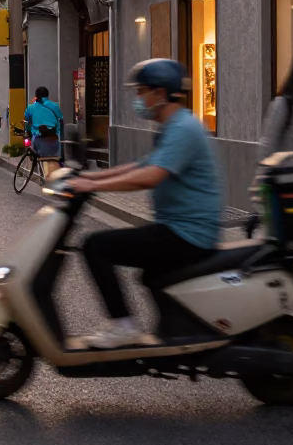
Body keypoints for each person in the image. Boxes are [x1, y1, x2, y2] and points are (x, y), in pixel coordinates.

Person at [66, 59, 220, 349]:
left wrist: (94, 186)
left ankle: (123, 326)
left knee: (96, 246)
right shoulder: (173, 127)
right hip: (179, 228)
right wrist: (89, 176)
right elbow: (141, 165)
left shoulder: (183, 129)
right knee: (149, 271)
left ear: (160, 94)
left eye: (142, 92)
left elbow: (150, 176)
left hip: (188, 233)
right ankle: (171, 331)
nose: (139, 99)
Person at [24, 86, 64, 173]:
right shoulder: (55, 106)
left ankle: (34, 163)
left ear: (36, 96)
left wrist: (27, 132)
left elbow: (27, 122)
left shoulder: (30, 108)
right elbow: (61, 121)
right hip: (54, 140)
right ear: (47, 95)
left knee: (32, 146)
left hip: (38, 141)